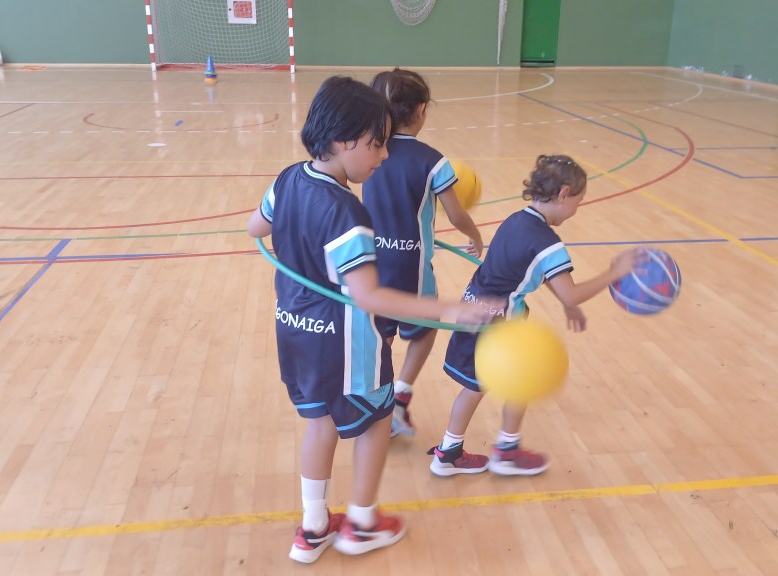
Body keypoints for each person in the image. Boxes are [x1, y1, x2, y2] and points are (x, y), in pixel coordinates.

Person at [246, 76, 494, 563]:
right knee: (377, 422)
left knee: (320, 424)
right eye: (377, 143)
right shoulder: (348, 214)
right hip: (346, 345)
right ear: (344, 141)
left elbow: (256, 228)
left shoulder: (288, 178)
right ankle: (362, 523)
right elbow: (371, 298)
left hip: (295, 333)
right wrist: (453, 309)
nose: (383, 155)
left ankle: (313, 527)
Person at [429, 154, 643, 477]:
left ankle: (499, 449)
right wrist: (613, 273)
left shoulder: (516, 220)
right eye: (578, 202)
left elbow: (530, 272)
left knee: (509, 381)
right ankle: (452, 453)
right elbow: (570, 291)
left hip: (476, 307)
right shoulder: (547, 243)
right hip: (494, 322)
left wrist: (566, 304)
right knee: (479, 387)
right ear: (564, 194)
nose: (577, 209)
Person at [362, 67, 484, 438]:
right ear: (421, 110)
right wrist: (475, 235)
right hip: (410, 264)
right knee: (426, 328)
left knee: (381, 334)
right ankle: (399, 397)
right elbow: (456, 214)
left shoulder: (369, 151)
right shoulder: (433, 161)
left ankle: (374, 402)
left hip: (369, 261)